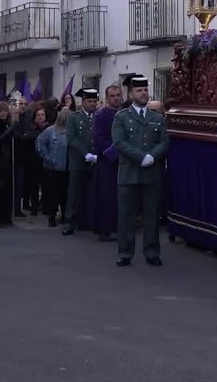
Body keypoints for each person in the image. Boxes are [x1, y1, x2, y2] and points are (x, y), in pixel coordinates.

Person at [112, 76, 170, 267]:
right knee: (126, 216)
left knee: (151, 215)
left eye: (145, 90)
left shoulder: (157, 118)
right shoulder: (121, 117)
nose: (144, 93)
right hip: (129, 173)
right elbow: (119, 142)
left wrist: (152, 156)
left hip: (151, 173)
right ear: (130, 94)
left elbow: (164, 142)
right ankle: (125, 252)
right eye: (139, 90)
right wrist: (140, 157)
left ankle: (152, 252)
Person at [90, 83, 125, 241]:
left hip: (124, 160)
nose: (116, 98)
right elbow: (98, 138)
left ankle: (119, 226)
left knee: (121, 195)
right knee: (106, 195)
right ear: (107, 98)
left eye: (118, 95)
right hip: (107, 161)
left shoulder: (125, 113)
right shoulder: (101, 114)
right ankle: (105, 229)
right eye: (112, 96)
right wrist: (113, 152)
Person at [62, 88, 98, 236]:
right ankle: (69, 223)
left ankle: (88, 221)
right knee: (74, 194)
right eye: (90, 101)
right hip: (78, 162)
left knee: (92, 193)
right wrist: (85, 153)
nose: (93, 104)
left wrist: (96, 154)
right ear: (83, 102)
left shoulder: (98, 116)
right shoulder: (74, 117)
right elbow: (71, 139)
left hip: (95, 161)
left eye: (94, 101)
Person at [37, 109, 69, 228]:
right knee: (53, 194)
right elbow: (39, 143)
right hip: (52, 168)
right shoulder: (50, 131)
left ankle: (64, 215)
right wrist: (47, 156)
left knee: (65, 194)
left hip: (67, 167)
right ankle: (52, 217)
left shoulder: (71, 132)